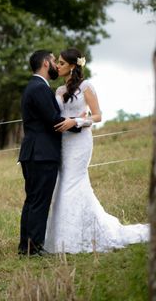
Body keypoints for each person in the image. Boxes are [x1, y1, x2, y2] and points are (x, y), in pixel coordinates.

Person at [44, 47, 149, 253]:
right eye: (58, 62)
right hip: (63, 143)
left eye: (62, 63)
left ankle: (75, 239)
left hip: (80, 144)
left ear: (73, 66)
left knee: (72, 184)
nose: (58, 66)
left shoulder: (86, 87)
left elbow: (98, 116)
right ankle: (61, 237)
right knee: (62, 184)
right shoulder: (58, 91)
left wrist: (77, 120)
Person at [18, 50, 79, 256]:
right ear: (46, 63)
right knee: (39, 200)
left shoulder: (34, 87)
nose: (55, 64)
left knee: (32, 199)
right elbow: (53, 119)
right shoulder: (39, 88)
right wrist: (79, 124)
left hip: (33, 153)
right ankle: (33, 248)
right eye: (54, 61)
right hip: (41, 154)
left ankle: (25, 247)